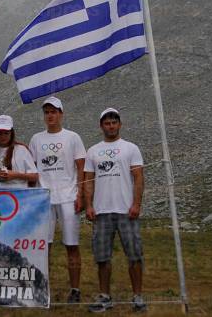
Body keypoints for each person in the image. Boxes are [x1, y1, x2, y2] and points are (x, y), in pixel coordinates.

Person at [84, 108, 146, 313]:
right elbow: (88, 181)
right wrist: (89, 205)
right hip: (101, 211)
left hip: (126, 210)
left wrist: (136, 204)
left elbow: (138, 178)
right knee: (102, 257)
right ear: (101, 126)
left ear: (120, 124)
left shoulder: (131, 148)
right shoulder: (92, 151)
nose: (111, 126)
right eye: (107, 123)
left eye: (114, 122)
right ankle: (105, 296)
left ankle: (137, 297)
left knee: (135, 255)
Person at [28, 96, 86, 303]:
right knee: (44, 247)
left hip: (68, 198)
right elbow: (32, 169)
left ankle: (76, 290)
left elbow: (81, 167)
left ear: (61, 114)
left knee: (72, 245)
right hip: (44, 199)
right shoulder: (36, 139)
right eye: (47, 112)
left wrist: (81, 194)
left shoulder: (72, 137)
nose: (50, 115)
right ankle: (43, 289)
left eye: (54, 112)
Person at [0, 115, 38, 187]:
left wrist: (15, 175)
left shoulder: (22, 150)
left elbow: (34, 176)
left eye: (6, 133)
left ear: (11, 133)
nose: (3, 136)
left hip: (19, 196)